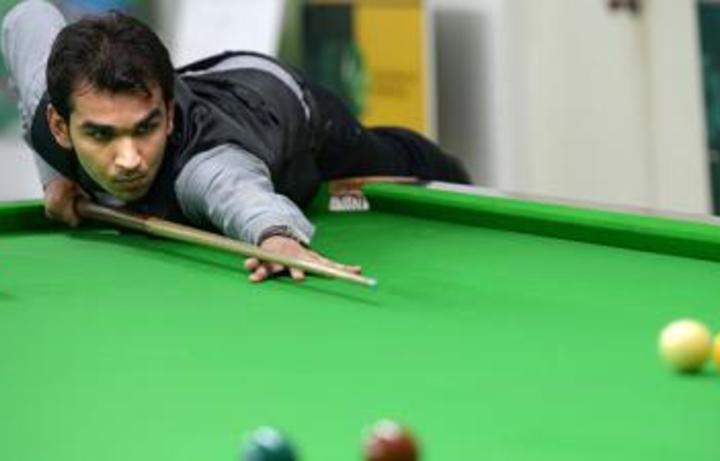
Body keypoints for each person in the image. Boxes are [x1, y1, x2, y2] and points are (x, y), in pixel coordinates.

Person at [1, 0, 470, 283]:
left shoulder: (204, 166)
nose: (129, 159)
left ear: (168, 114)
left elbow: (239, 195)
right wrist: (55, 176)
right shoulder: (51, 106)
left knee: (394, 158)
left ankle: (455, 175)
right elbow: (25, 16)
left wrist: (277, 238)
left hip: (287, 107)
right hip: (217, 80)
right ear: (60, 126)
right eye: (101, 134)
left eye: (145, 128)